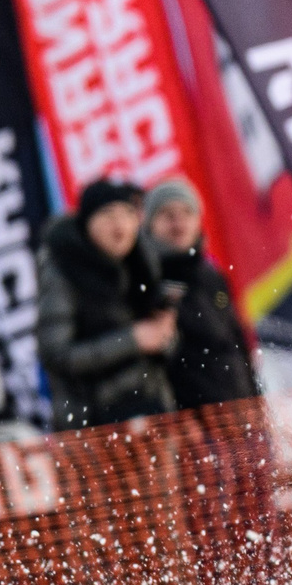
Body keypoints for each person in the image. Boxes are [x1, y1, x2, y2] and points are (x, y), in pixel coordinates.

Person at [38, 179, 179, 431]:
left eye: (127, 213)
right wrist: (132, 339)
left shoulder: (142, 263)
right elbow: (57, 355)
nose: (120, 225)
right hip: (94, 429)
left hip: (152, 417)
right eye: (108, 214)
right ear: (87, 223)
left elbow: (162, 351)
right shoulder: (63, 272)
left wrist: (165, 335)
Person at [143, 179, 260, 410]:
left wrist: (256, 399)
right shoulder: (145, 280)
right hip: (192, 424)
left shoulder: (211, 274)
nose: (178, 222)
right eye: (167, 214)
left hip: (240, 411)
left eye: (186, 212)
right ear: (150, 225)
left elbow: (236, 342)